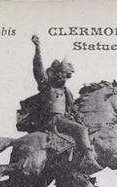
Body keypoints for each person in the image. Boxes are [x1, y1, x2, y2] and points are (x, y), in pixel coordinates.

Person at [17, 35, 101, 174]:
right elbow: (38, 67)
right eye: (62, 74)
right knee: (81, 130)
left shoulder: (66, 92)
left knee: (86, 129)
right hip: (53, 121)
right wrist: (37, 48)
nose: (64, 78)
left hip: (64, 120)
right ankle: (89, 158)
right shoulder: (46, 85)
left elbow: (72, 109)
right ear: (55, 74)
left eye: (66, 75)